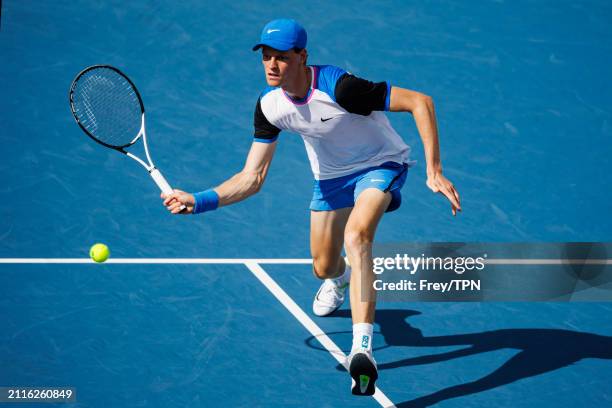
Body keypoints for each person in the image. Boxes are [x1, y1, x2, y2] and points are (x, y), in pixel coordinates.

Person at [162, 18, 461, 396]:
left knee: (357, 235)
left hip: (379, 164)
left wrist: (434, 171)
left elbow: (421, 102)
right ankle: (339, 280)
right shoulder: (270, 106)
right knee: (323, 265)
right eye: (266, 57)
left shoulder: (343, 88)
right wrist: (199, 201)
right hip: (331, 180)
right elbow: (252, 178)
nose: (272, 65)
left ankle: (362, 350)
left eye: (282, 58)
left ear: (303, 56)